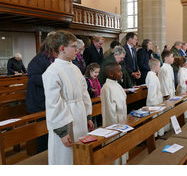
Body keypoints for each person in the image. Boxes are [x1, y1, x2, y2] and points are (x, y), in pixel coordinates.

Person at [42, 30, 94, 165]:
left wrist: (88, 116)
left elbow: (84, 94)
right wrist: (62, 131)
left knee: (80, 156)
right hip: (65, 122)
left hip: (80, 117)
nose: (77, 49)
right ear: (62, 48)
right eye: (73, 46)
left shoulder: (75, 68)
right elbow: (54, 103)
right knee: (64, 159)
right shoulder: (52, 71)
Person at [26, 31, 56, 154]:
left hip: (49, 100)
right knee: (43, 134)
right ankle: (43, 156)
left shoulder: (53, 58)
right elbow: (34, 78)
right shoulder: (39, 59)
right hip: (39, 102)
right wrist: (54, 81)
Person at [100, 62, 128, 165]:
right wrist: (113, 128)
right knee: (114, 151)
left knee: (122, 148)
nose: (121, 73)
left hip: (122, 120)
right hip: (114, 123)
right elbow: (108, 111)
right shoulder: (106, 88)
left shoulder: (117, 85)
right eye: (119, 71)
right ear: (111, 74)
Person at [145, 58, 165, 136]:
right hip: (154, 103)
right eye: (159, 66)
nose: (160, 68)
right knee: (155, 119)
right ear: (154, 67)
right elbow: (152, 93)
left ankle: (157, 134)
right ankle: (155, 136)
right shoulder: (152, 77)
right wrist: (155, 105)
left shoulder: (153, 75)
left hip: (157, 101)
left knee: (158, 119)